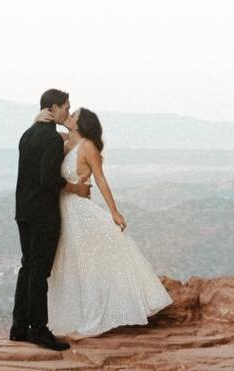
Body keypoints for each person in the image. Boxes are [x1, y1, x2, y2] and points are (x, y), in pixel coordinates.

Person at [47, 107, 172, 338]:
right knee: (71, 264)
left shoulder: (87, 147)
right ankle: (75, 316)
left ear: (81, 124)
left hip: (78, 210)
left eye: (74, 115)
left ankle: (98, 317)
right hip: (63, 211)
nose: (70, 117)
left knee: (89, 262)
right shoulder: (66, 145)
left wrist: (114, 211)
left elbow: (101, 179)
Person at [10, 88, 72, 350]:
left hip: (23, 211)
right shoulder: (52, 140)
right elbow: (48, 178)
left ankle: (19, 327)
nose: (68, 111)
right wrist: (69, 184)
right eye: (66, 107)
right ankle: (39, 330)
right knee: (39, 272)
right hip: (43, 213)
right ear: (54, 108)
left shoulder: (27, 134)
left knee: (27, 267)